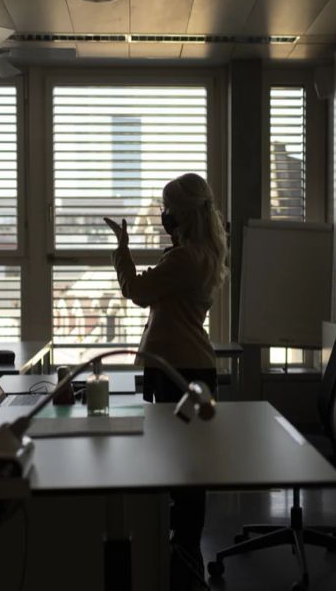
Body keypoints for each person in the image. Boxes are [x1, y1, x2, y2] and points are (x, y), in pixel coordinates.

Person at [104, 172, 228, 587]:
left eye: (169, 209)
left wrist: (122, 250)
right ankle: (184, 547)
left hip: (178, 369)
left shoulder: (184, 259)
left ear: (184, 213)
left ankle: (183, 552)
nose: (163, 216)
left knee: (181, 465)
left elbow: (136, 291)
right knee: (187, 463)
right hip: (186, 366)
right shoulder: (202, 252)